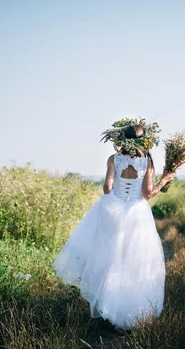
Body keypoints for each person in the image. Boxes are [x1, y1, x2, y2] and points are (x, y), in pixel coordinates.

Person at [52, 118, 175, 330]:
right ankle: (129, 312)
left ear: (122, 139)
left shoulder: (113, 159)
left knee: (110, 259)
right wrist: (164, 180)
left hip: (112, 212)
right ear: (144, 141)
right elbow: (147, 194)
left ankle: (108, 307)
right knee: (135, 262)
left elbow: (107, 188)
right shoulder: (147, 162)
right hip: (137, 215)